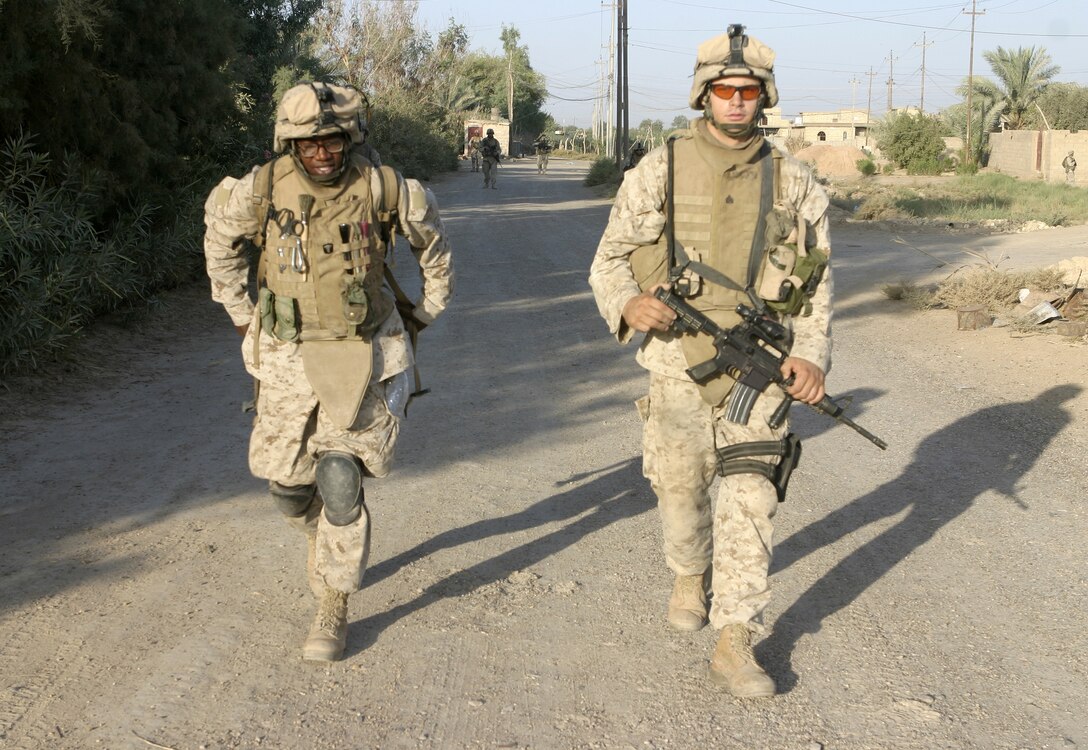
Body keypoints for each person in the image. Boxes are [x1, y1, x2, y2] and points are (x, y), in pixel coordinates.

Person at [588, 25, 833, 698]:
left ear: (763, 98)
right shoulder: (659, 169)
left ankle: (736, 637)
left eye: (747, 92)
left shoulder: (796, 181)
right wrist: (630, 305)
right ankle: (689, 570)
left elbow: (816, 284)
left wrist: (811, 357)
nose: (736, 103)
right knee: (680, 489)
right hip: (675, 365)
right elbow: (607, 260)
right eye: (724, 91)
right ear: (704, 95)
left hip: (762, 367)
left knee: (752, 496)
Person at [202, 81, 454, 663]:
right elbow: (221, 242)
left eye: (332, 141)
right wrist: (243, 316)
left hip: (365, 353)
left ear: (350, 138)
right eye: (307, 143)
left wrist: (425, 312)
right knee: (288, 490)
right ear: (288, 143)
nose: (321, 153)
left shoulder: (388, 190)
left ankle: (332, 601)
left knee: (341, 479)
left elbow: (435, 249)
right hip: (289, 358)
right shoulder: (262, 189)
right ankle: (323, 537)